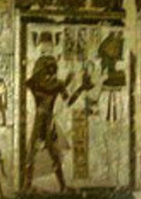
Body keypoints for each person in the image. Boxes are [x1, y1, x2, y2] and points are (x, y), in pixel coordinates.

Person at [21, 55, 91, 191]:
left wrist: (80, 88)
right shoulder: (36, 83)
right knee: (31, 155)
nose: (50, 76)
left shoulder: (54, 84)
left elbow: (68, 101)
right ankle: (27, 185)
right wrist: (69, 84)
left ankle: (62, 186)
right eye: (48, 72)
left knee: (53, 155)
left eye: (53, 72)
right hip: (40, 123)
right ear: (41, 71)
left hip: (47, 123)